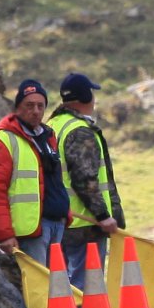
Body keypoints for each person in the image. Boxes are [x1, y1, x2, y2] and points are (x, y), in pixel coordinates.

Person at [0, 79, 71, 308]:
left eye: (40, 106)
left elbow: (53, 181)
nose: (35, 111)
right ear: (18, 107)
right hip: (31, 227)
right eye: (29, 105)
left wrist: (66, 212)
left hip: (56, 222)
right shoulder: (3, 140)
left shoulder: (48, 136)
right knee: (35, 289)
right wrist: (4, 233)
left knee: (53, 288)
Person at [47, 72, 125, 292]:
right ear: (86, 98)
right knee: (87, 289)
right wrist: (103, 216)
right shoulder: (80, 131)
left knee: (61, 288)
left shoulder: (52, 125)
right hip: (84, 224)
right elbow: (84, 179)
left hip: (58, 220)